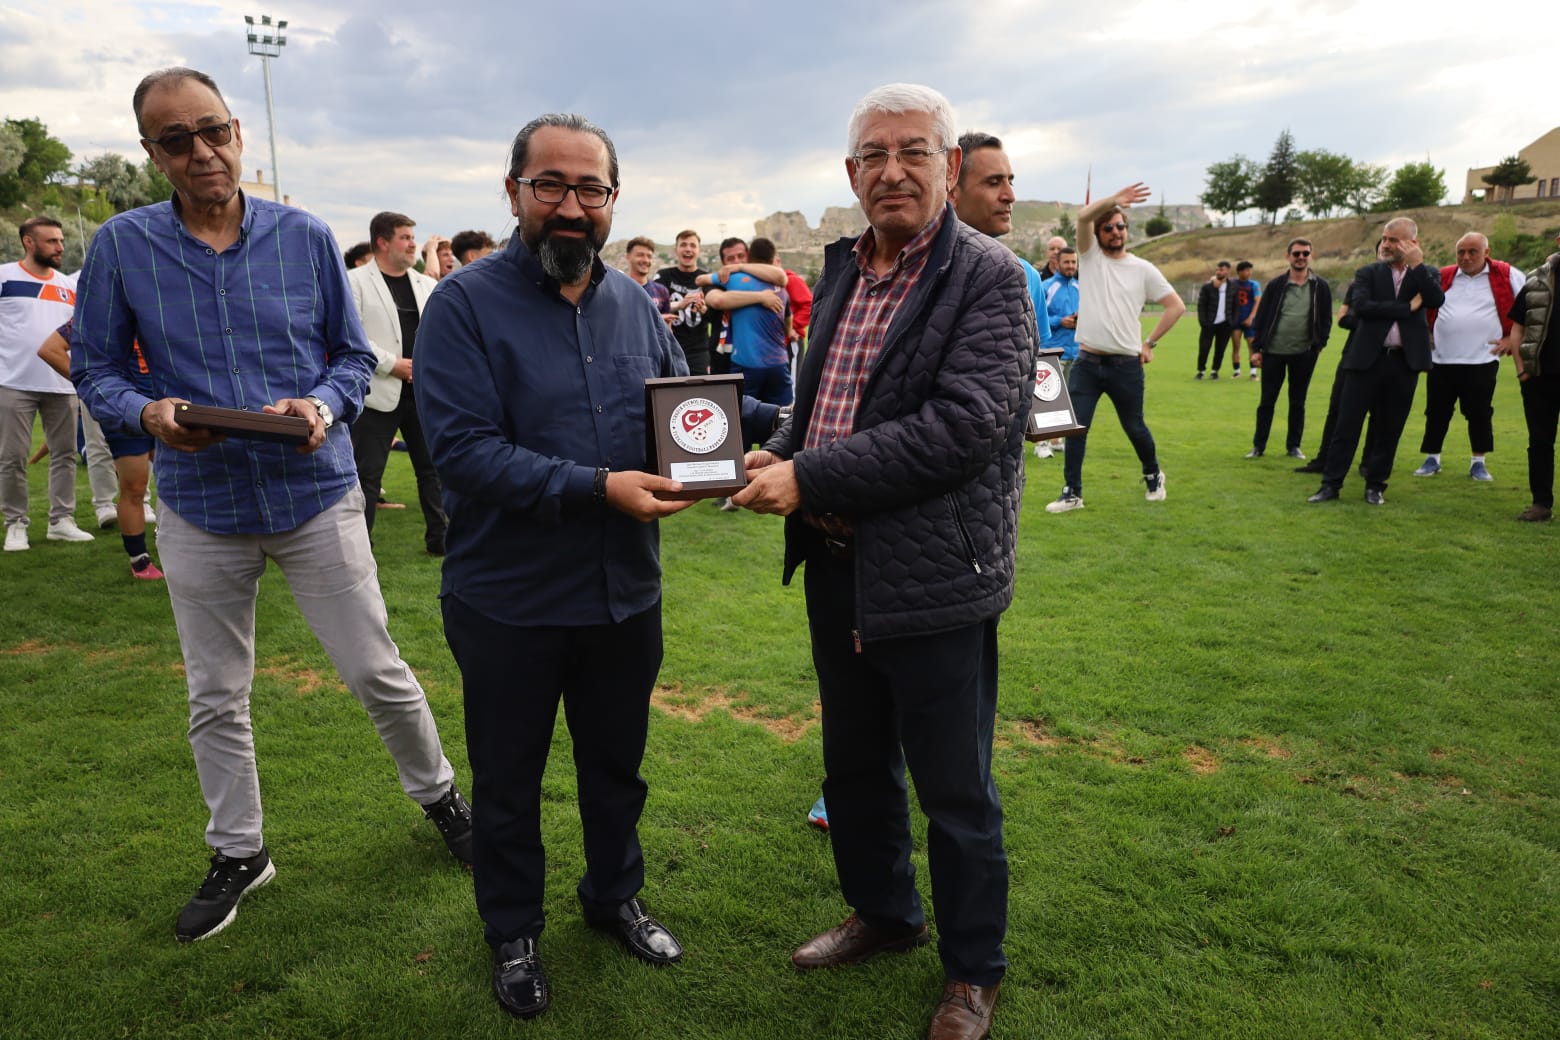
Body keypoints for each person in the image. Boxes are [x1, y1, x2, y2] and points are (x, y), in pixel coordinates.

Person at [70, 66, 472, 943]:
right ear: (151, 153)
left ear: (238, 131)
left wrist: (321, 406)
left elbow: (350, 357)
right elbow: (93, 365)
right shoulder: (122, 245)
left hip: (313, 493)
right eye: (176, 139)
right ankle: (239, 851)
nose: (201, 151)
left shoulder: (304, 235)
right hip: (199, 503)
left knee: (376, 670)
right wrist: (148, 413)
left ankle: (443, 798)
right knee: (216, 693)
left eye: (213, 130)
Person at [734, 82, 1036, 1040]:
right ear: (851, 171)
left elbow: (962, 428)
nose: (892, 170)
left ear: (950, 166)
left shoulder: (989, 276)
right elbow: (822, 398)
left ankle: (973, 971)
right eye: (874, 154)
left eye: (913, 152)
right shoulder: (845, 269)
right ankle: (886, 914)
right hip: (839, 566)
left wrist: (809, 475)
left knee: (955, 788)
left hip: (936, 574)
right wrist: (779, 452)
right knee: (856, 764)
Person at [415, 112, 692, 1021]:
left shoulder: (633, 305)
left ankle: (614, 897)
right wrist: (600, 486)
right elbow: (463, 452)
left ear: (613, 199)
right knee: (508, 783)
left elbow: (682, 409)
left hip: (624, 595)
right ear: (514, 193)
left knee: (617, 768)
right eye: (551, 186)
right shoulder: (463, 305)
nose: (572, 207)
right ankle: (513, 933)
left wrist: (768, 441)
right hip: (511, 600)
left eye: (591, 189)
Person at [1045, 183, 1185, 513]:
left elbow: (1176, 306)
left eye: (1120, 226)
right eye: (1107, 227)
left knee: (1134, 427)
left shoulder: (1142, 268)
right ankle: (1072, 493)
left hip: (1126, 366)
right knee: (1076, 428)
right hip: (1088, 362)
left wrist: (1149, 343)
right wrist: (1114, 200)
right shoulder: (1090, 257)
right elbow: (1083, 217)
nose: (1116, 231)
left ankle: (1153, 475)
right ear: (1098, 233)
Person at [1308, 217, 1444, 505]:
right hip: (1366, 360)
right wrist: (1406, 308)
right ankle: (1330, 485)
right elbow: (1362, 308)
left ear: (1412, 243)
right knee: (1346, 426)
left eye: (1394, 240)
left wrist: (1417, 266)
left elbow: (1435, 300)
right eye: (1385, 238)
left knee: (1389, 428)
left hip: (1404, 363)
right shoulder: (1368, 272)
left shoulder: (1427, 273)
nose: (1386, 244)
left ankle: (1375, 485)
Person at [347, 211, 449, 555]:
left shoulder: (426, 284)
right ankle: (360, 547)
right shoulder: (354, 282)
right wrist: (393, 365)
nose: (412, 245)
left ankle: (441, 540)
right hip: (376, 393)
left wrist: (425, 366)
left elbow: (440, 331)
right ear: (382, 242)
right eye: (405, 237)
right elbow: (353, 334)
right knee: (367, 475)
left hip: (421, 392)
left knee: (433, 470)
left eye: (412, 238)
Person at [37, 321, 162, 577]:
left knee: (177, 477)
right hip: (126, 407)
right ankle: (139, 560)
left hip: (164, 401)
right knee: (135, 484)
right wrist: (91, 384)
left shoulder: (157, 307)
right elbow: (50, 349)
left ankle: (170, 538)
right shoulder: (98, 312)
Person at [1, 217, 96, 551]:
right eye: (52, 241)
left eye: (61, 241)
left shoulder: (69, 286)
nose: (60, 247)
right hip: (13, 382)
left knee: (65, 454)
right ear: (28, 242)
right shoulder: (5, 277)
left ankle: (61, 521)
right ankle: (15, 523)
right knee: (12, 457)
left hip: (62, 384)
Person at [1412, 232, 1524, 482]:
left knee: (1479, 413)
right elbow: (1421, 304)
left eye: (1472, 252)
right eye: (1461, 252)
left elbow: (1527, 306)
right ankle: (1432, 458)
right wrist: (1426, 332)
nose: (1465, 257)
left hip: (1482, 359)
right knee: (1436, 412)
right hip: (1441, 359)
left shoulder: (1507, 275)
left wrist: (1510, 338)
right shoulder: (1443, 275)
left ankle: (1478, 463)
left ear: (1487, 252)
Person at [1245, 238, 1333, 460]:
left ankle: (1294, 446)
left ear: (1311, 256)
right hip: (1273, 352)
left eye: (1305, 253)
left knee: (1298, 402)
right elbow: (1262, 317)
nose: (1301, 257)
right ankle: (1258, 446)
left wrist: (1319, 344)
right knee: (1267, 401)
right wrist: (1256, 349)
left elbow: (1326, 318)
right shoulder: (1276, 285)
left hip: (1304, 353)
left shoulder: (1320, 286)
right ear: (1288, 257)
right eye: (1296, 254)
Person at [1493, 230, 1560, 521]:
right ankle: (1541, 505)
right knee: (1540, 443)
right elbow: (1517, 328)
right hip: (1540, 377)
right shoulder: (1536, 280)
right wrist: (1521, 370)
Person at [705, 237, 793, 406]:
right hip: (724, 363)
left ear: (750, 257)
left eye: (741, 256)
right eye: (730, 259)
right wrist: (761, 297)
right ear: (723, 263)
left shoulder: (767, 280)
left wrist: (740, 268)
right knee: (735, 415)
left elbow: (782, 279)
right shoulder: (720, 281)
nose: (736, 262)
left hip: (765, 363)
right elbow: (718, 300)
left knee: (776, 414)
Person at [656, 229, 716, 375]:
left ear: (699, 251)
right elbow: (653, 309)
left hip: (699, 352)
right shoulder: (663, 276)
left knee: (700, 388)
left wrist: (703, 309)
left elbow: (715, 317)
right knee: (670, 388)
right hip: (669, 348)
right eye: (683, 245)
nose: (688, 249)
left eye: (693, 245)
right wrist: (679, 305)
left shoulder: (706, 278)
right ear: (675, 250)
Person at [1195, 260, 1234, 379]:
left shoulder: (1233, 287)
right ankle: (1201, 371)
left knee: (1220, 349)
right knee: (1204, 348)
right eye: (1217, 269)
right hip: (1209, 323)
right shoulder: (1208, 286)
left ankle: (1214, 371)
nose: (1218, 272)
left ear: (1228, 271)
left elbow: (1236, 305)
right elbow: (1201, 305)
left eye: (1221, 270)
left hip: (1225, 324)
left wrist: (1233, 321)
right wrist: (1203, 322)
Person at [1229, 260, 1261, 379]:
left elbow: (1257, 301)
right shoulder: (1233, 283)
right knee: (1236, 345)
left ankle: (1253, 373)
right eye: (1247, 270)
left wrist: (1251, 317)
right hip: (1236, 320)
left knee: (1252, 346)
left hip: (1250, 320)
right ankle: (1236, 372)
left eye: (1250, 270)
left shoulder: (1254, 284)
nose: (1249, 273)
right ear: (1239, 272)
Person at [624, 235, 671, 315]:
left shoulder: (661, 291)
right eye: (640, 255)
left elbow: (667, 321)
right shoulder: (619, 289)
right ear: (628, 257)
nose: (646, 260)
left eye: (649, 256)